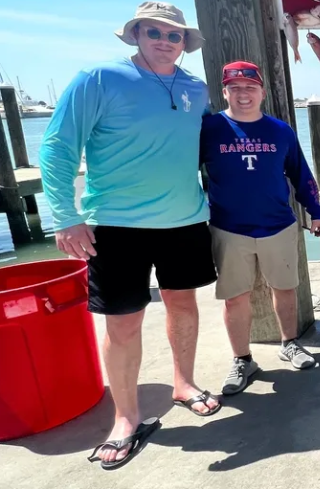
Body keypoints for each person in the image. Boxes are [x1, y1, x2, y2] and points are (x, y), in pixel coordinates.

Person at [38, 1, 220, 470]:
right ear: (136, 34)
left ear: (185, 43)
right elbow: (58, 147)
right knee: (122, 323)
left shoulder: (195, 87)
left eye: (173, 35)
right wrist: (64, 215)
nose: (164, 41)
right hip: (116, 226)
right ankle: (125, 417)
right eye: (154, 32)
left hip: (185, 221)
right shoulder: (97, 78)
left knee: (184, 305)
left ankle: (184, 382)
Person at [199, 61, 320, 396]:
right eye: (236, 88)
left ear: (262, 92)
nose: (243, 94)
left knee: (284, 288)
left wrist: (316, 212)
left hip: (278, 225)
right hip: (229, 229)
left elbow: (301, 175)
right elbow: (184, 172)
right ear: (224, 92)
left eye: (250, 88)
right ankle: (242, 359)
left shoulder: (280, 131)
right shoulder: (209, 129)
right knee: (235, 298)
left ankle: (290, 343)